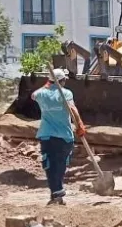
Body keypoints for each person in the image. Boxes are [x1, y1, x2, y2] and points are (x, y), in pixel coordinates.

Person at [31, 68, 86, 205]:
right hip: (64, 136)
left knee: (50, 165)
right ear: (63, 80)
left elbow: (33, 95)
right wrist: (79, 125)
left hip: (47, 135)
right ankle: (57, 193)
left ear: (49, 81)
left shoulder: (41, 94)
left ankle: (56, 194)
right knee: (60, 165)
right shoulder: (66, 93)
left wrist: (47, 85)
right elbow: (72, 109)